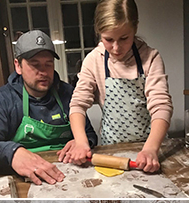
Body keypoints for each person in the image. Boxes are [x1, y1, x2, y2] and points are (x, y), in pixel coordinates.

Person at [64, 0, 172, 173]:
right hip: (112, 151)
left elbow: (161, 106)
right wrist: (81, 141)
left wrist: (151, 149)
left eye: (124, 38)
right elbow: (78, 104)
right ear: (99, 33)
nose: (116, 48)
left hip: (150, 147)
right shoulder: (94, 60)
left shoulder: (150, 57)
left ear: (135, 28)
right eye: (108, 39)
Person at [0, 30, 98, 186]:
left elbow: (90, 134)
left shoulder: (68, 93)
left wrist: (81, 142)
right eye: (35, 65)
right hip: (26, 179)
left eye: (48, 64)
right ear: (18, 66)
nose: (43, 72)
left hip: (70, 174)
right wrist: (12, 153)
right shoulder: (4, 99)